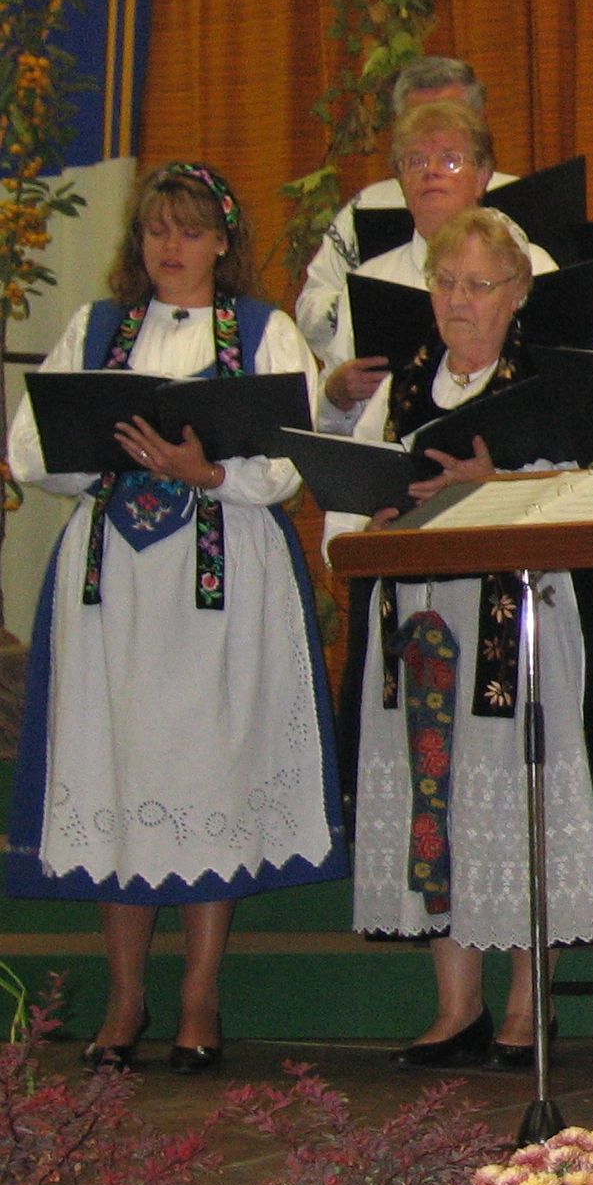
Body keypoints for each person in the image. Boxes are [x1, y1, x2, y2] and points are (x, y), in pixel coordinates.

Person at [4, 164, 344, 1073]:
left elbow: (290, 459)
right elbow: (31, 445)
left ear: (223, 242)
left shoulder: (266, 334)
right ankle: (124, 999)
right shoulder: (97, 328)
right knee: (118, 764)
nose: (171, 248)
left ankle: (198, 992)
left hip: (220, 583)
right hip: (113, 587)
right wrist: (118, 459)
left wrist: (206, 474)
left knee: (209, 770)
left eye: (190, 231)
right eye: (157, 230)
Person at [323, 208, 593, 1067]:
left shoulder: (549, 384)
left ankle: (528, 1001)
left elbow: (591, 498)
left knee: (520, 791)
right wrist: (373, 506)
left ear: (518, 295)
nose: (459, 300)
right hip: (415, 615)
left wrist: (495, 487)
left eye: (480, 286)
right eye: (446, 283)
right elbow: (352, 496)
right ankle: (457, 1005)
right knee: (431, 796)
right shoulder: (402, 385)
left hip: (515, 616)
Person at [317, 100, 559, 435]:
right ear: (401, 181)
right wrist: (337, 395)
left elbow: (561, 396)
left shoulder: (533, 265)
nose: (431, 171)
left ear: (483, 177)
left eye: (450, 159)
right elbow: (331, 426)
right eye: (416, 161)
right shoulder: (369, 279)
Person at [294, 57, 516, 363]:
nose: (433, 129)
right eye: (419, 120)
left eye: (449, 116)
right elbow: (313, 307)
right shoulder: (367, 206)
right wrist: (361, 310)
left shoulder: (520, 222)